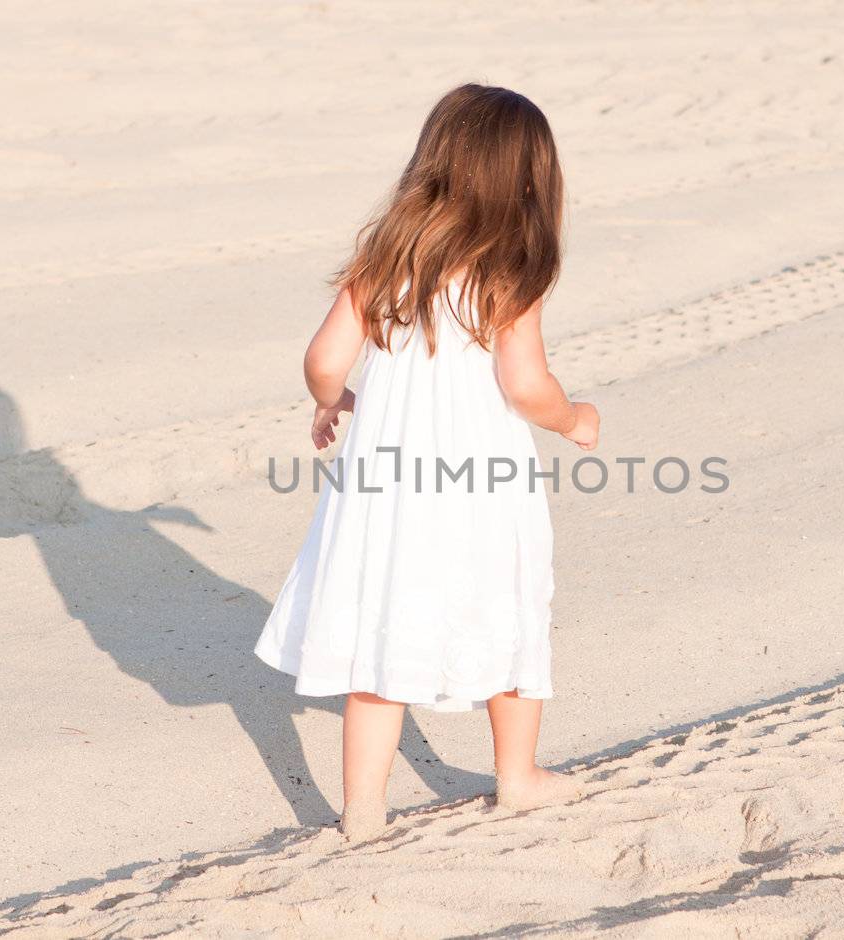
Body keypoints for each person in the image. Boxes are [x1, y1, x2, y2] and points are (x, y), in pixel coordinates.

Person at [255, 83, 600, 841]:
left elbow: (322, 358)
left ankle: (365, 812)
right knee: (510, 605)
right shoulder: (513, 266)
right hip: (484, 481)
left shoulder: (387, 256)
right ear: (531, 179)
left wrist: (331, 398)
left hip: (385, 483)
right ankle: (518, 776)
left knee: (382, 628)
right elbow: (525, 383)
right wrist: (573, 418)